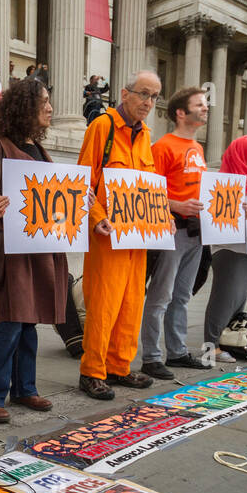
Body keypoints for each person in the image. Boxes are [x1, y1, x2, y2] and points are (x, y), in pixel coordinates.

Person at [0, 78, 65, 423]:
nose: (51, 108)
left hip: (41, 252)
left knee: (29, 322)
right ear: (25, 108)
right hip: (12, 257)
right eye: (44, 102)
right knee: (11, 321)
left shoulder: (42, 152)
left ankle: (24, 388)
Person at [76, 70, 171, 400]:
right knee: (104, 304)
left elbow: (148, 188)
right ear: (124, 93)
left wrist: (162, 218)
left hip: (137, 236)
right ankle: (92, 371)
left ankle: (119, 366)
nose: (148, 102)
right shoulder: (101, 127)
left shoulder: (145, 135)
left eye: (154, 97)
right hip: (106, 236)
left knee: (132, 303)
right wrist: (97, 218)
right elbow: (83, 182)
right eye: (143, 94)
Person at [139, 86, 212, 379]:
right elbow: (149, 190)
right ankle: (151, 356)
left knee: (182, 294)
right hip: (172, 230)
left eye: (205, 104)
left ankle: (177, 351)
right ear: (181, 113)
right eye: (200, 104)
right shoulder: (163, 147)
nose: (205, 108)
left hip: (197, 232)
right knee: (161, 295)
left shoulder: (198, 148)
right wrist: (177, 204)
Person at [203, 136, 247, 362]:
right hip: (227, 247)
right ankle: (211, 347)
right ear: (240, 154)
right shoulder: (224, 180)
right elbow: (215, 211)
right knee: (224, 297)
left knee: (238, 298)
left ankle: (229, 339)